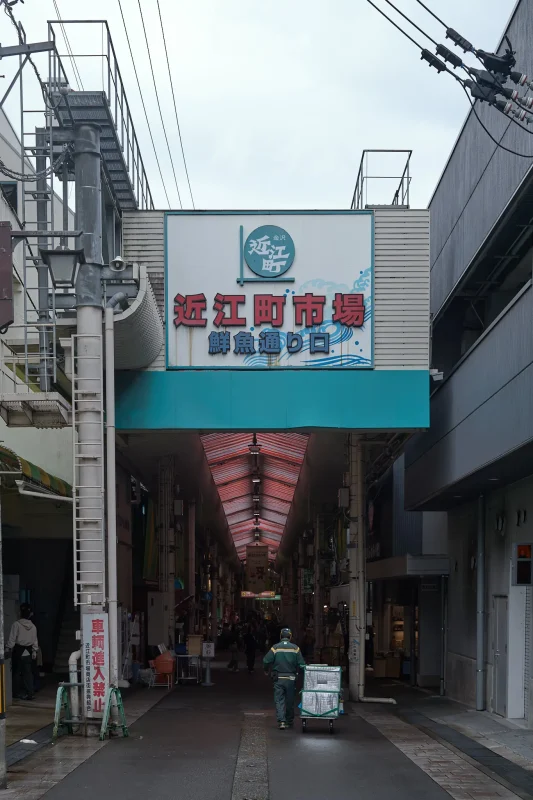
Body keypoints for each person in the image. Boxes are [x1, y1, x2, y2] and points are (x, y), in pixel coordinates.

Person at [263, 627, 306, 730]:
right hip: (291, 678)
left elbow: (266, 660)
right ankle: (289, 721)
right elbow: (302, 664)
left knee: (279, 700)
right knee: (290, 701)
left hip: (278, 678)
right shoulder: (295, 648)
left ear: (281, 636)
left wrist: (266, 670)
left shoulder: (275, 648)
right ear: (290, 637)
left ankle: (281, 721)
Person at [6, 603, 38, 700]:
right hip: (28, 651)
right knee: (28, 673)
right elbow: (35, 640)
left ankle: (15, 693)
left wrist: (8, 648)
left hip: (18, 650)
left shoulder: (16, 624)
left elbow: (12, 639)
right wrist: (34, 651)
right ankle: (30, 693)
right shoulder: (33, 626)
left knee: (16, 672)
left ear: (20, 613)